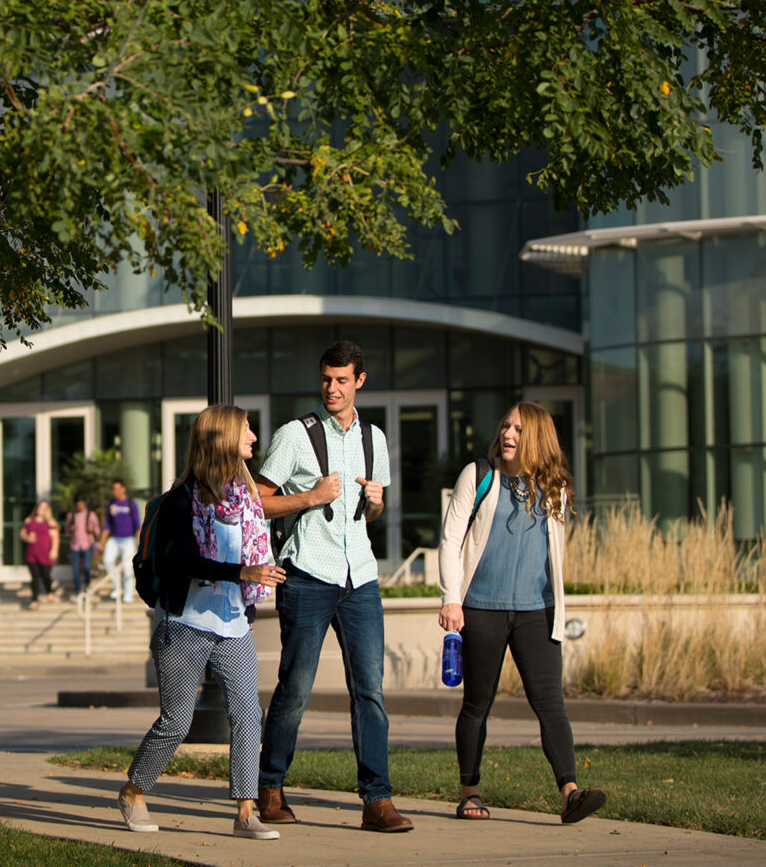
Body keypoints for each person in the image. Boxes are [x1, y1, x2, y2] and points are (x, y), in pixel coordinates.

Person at [255, 339, 413, 833]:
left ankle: (377, 801)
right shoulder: (295, 435)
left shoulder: (375, 439)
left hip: (360, 576)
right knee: (296, 688)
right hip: (308, 575)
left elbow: (374, 513)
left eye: (342, 380)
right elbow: (258, 502)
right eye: (326, 379)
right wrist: (309, 496)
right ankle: (271, 786)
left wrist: (376, 500)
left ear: (359, 381)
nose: (332, 388)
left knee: (370, 691)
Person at [119, 404, 287, 840]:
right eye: (246, 429)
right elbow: (180, 560)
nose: (253, 436)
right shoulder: (181, 500)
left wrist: (255, 576)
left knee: (248, 715)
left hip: (233, 625)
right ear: (223, 438)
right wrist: (242, 573)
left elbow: (252, 547)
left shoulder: (245, 499)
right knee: (176, 721)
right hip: (184, 623)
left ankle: (246, 811)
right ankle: (134, 791)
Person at [438, 401, 607, 824]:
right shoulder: (480, 475)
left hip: (537, 610)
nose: (508, 435)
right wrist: (450, 598)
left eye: (518, 429)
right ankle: (470, 792)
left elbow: (554, 555)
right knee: (477, 703)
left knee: (551, 703)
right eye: (506, 427)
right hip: (481, 608)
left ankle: (570, 792)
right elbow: (450, 538)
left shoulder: (555, 488)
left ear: (537, 438)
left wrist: (558, 608)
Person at [98, 478, 141, 603]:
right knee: (107, 560)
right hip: (114, 538)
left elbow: (137, 524)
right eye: (113, 489)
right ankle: (117, 587)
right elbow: (107, 525)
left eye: (117, 489)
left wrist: (139, 542)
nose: (115, 492)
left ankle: (128, 593)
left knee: (127, 567)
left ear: (123, 489)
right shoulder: (111, 504)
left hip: (128, 539)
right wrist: (101, 542)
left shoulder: (131, 503)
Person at [20, 500, 60, 609]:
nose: (41, 510)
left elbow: (55, 538)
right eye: (40, 507)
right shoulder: (29, 521)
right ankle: (34, 600)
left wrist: (54, 550)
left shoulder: (50, 523)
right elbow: (22, 533)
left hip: (46, 554)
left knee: (46, 575)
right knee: (35, 577)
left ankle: (49, 591)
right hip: (32, 554)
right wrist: (27, 538)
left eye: (44, 508)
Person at [64, 496, 101, 597]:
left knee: (86, 567)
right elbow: (66, 531)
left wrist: (92, 530)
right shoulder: (71, 515)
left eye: (81, 503)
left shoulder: (91, 515)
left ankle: (87, 585)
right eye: (77, 504)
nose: (79, 506)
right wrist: (70, 530)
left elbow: (97, 529)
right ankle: (77, 590)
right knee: (75, 569)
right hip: (75, 545)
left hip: (87, 544)